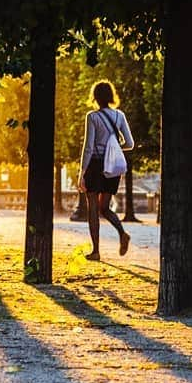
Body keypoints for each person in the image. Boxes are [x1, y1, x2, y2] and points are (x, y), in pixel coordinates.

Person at [78, 80, 135, 261]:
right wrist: (114, 149)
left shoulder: (92, 117)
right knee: (105, 207)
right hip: (112, 167)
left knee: (94, 208)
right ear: (111, 96)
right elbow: (130, 144)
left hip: (95, 165)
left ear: (94, 97)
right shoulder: (120, 116)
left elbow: (88, 147)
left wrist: (82, 173)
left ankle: (96, 251)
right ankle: (122, 233)